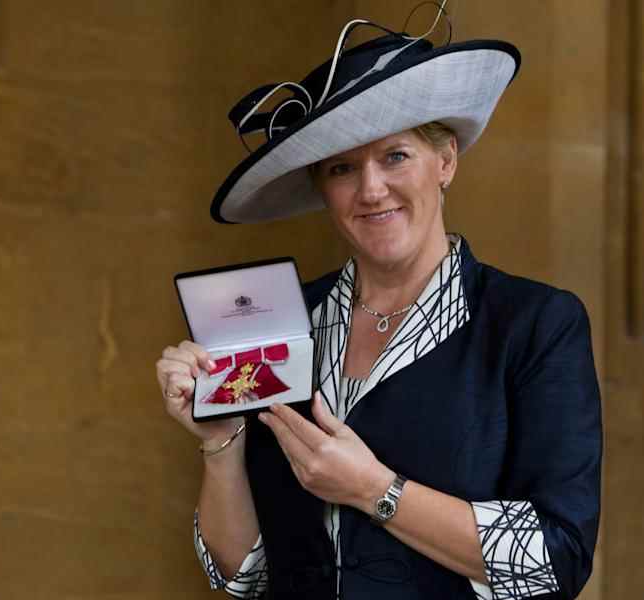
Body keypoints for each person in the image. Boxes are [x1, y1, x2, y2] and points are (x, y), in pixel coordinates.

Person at [155, 8, 601, 600]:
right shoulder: (287, 322)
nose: (370, 189)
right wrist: (219, 440)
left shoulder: (535, 325)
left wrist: (376, 491)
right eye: (343, 168)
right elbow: (245, 577)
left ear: (445, 162)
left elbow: (557, 557)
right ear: (322, 188)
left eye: (395, 156)